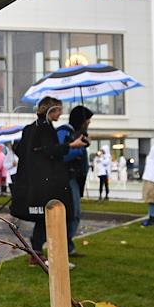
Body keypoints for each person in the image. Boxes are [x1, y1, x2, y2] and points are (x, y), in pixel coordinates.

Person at [12, 96, 87, 260]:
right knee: (50, 215)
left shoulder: (31, 128)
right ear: (51, 110)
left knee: (44, 217)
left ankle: (37, 253)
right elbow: (49, 151)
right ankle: (42, 251)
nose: (61, 113)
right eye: (58, 110)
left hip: (35, 180)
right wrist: (71, 145)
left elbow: (23, 150)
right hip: (47, 181)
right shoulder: (45, 128)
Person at [58, 106, 93, 254]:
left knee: (74, 213)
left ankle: (67, 245)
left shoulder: (77, 133)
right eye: (87, 120)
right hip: (67, 178)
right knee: (73, 214)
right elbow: (61, 155)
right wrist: (79, 148)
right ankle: (65, 246)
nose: (89, 123)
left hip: (75, 178)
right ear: (81, 120)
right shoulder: (64, 132)